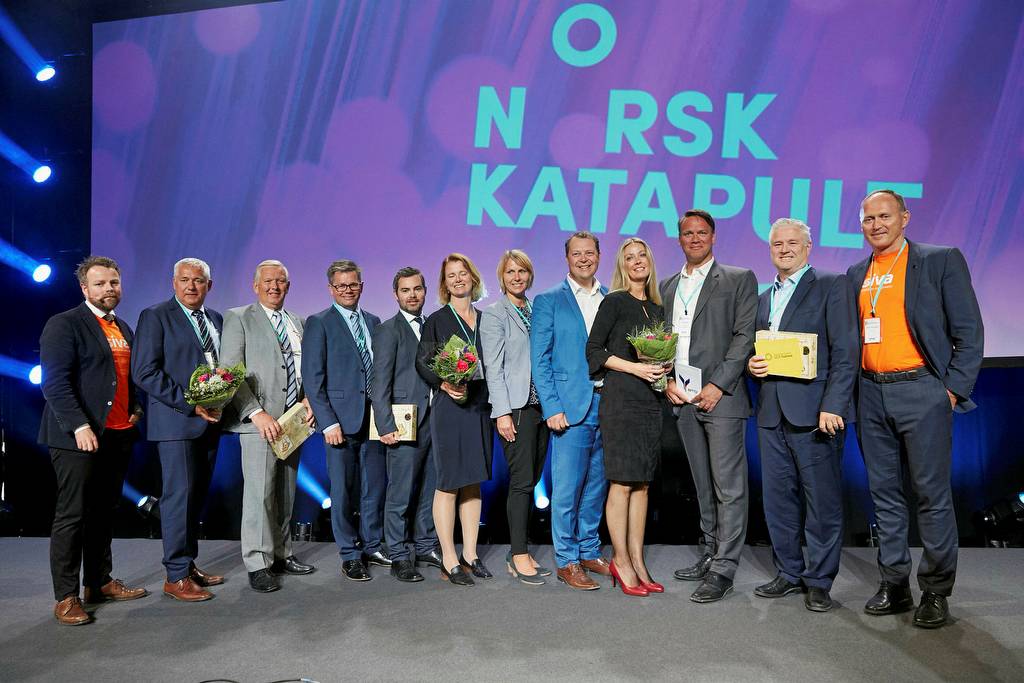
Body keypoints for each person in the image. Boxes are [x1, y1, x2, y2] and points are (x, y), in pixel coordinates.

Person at [848, 189, 983, 628]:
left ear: (904, 217)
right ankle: (895, 585)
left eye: (884, 216)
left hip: (923, 390)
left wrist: (950, 391)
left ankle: (936, 591)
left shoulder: (940, 260)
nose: (876, 225)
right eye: (868, 219)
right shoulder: (856, 273)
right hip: (871, 393)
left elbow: (969, 332)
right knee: (884, 496)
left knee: (931, 496)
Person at [746, 219, 858, 612]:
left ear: (808, 247)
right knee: (778, 500)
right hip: (771, 413)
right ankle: (789, 573)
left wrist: (834, 405)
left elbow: (846, 351)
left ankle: (820, 581)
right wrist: (751, 365)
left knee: (822, 502)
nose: (785, 249)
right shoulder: (764, 297)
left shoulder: (831, 284)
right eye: (777, 244)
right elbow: (758, 350)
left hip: (816, 414)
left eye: (793, 243)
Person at [39, 256, 148, 625]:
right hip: (77, 438)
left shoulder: (122, 327)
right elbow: (54, 382)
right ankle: (66, 596)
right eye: (100, 284)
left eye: (113, 282)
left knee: (103, 512)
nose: (108, 289)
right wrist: (78, 426)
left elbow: (125, 376)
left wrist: (136, 407)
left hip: (116, 435)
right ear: (84, 288)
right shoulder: (65, 323)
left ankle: (98, 582)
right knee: (72, 515)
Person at [660, 209, 758, 603]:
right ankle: (711, 551)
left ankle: (724, 568)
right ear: (679, 239)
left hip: (723, 398)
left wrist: (718, 384)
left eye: (702, 232)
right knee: (702, 483)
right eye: (688, 233)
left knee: (728, 487)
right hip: (683, 398)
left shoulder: (738, 278)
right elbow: (663, 341)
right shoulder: (668, 285)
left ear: (713, 237)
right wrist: (666, 380)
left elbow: (744, 337)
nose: (695, 238)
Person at [132, 257, 225, 601]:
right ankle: (175, 576)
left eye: (198, 280)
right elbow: (144, 372)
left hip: (209, 423)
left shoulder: (215, 319)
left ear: (208, 286)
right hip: (176, 422)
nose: (191, 286)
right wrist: (190, 403)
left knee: (195, 497)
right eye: (184, 280)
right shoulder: (155, 316)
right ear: (174, 283)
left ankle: (188, 565)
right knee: (178, 498)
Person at [220, 260, 316, 593]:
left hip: (293, 422)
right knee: (260, 494)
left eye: (281, 281)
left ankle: (281, 553)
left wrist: (308, 399)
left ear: (288, 286)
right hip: (260, 423)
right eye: (268, 281)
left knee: (285, 493)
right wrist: (256, 413)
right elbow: (229, 371)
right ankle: (258, 563)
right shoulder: (238, 318)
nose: (274, 286)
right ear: (255, 285)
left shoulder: (298, 321)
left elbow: (306, 368)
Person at [586, 238, 668, 597]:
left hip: (650, 402)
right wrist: (636, 368)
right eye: (629, 257)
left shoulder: (656, 308)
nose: (637, 261)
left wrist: (663, 370)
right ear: (622, 265)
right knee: (621, 482)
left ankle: (637, 558)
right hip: (621, 401)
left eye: (642, 255)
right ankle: (620, 560)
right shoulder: (615, 301)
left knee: (643, 484)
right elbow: (594, 350)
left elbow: (658, 360)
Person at [531, 232, 611, 591]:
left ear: (599, 256)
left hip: (607, 405)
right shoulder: (549, 300)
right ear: (567, 258)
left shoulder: (611, 297)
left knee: (596, 486)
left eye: (589, 253)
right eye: (576, 254)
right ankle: (567, 560)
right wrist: (551, 407)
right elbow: (540, 359)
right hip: (569, 407)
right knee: (566, 490)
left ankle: (589, 550)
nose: (583, 259)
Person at [301, 260, 387, 581]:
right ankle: (350, 554)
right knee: (343, 491)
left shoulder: (374, 321)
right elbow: (312, 379)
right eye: (341, 285)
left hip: (373, 420)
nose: (348, 290)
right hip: (339, 421)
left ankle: (373, 545)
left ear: (361, 286)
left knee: (374, 487)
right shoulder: (319, 322)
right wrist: (328, 422)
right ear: (331, 289)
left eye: (353, 284)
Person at [415, 253, 493, 586]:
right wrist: (444, 383)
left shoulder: (487, 319)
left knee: (473, 481)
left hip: (479, 406)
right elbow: (423, 361)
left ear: (473, 278)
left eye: (463, 273)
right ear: (444, 284)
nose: (458, 279)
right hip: (450, 407)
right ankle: (449, 557)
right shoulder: (437, 319)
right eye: (451, 275)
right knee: (448, 482)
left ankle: (470, 554)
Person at [481, 250, 551, 585]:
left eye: (522, 271)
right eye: (510, 271)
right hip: (516, 409)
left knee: (532, 479)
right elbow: (493, 368)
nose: (517, 277)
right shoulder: (495, 315)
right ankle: (518, 553)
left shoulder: (537, 310)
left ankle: (519, 552)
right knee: (522, 482)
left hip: (542, 408)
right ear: (502, 277)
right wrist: (502, 413)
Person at [371, 267, 443, 583]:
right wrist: (385, 424)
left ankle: (425, 546)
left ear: (425, 291)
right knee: (400, 493)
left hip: (436, 420)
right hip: (403, 423)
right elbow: (379, 383)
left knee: (431, 489)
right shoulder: (388, 330)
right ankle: (398, 554)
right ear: (396, 294)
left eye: (417, 289)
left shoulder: (433, 326)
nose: (412, 295)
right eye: (405, 290)